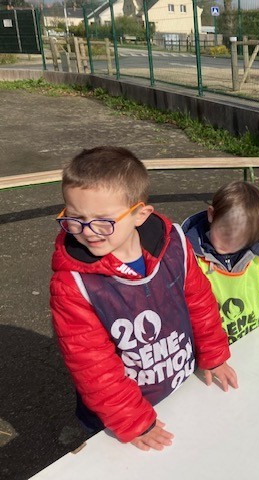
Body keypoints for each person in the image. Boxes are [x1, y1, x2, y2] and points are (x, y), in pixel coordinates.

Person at [49, 147, 237, 452]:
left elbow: (199, 302)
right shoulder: (73, 284)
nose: (88, 231)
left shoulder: (174, 244)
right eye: (75, 218)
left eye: (103, 221)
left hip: (181, 384)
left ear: (140, 215)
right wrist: (133, 420)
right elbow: (92, 366)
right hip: (119, 416)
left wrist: (214, 353)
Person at [182, 181, 259, 343]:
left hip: (252, 333)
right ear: (211, 214)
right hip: (209, 340)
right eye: (226, 233)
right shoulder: (187, 253)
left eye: (241, 241)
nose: (231, 245)